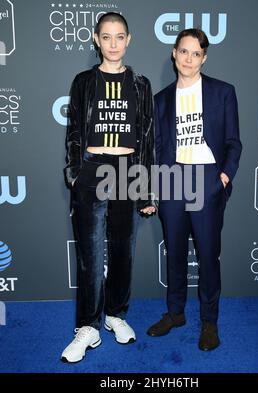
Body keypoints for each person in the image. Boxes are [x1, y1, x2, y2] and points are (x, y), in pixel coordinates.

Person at [62, 12, 155, 363]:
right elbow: (73, 129)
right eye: (106, 37)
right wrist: (74, 172)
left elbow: (147, 139)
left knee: (122, 250)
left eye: (119, 37)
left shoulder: (141, 84)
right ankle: (88, 327)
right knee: (89, 253)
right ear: (96, 40)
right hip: (92, 168)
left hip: (129, 170)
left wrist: (145, 189)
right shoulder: (84, 81)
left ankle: (116, 315)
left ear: (128, 40)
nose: (113, 43)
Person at [147, 28, 242, 351]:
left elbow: (233, 142)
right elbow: (157, 149)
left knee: (207, 256)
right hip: (172, 182)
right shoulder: (160, 100)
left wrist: (223, 178)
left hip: (207, 181)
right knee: (174, 254)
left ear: (204, 57)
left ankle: (209, 322)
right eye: (183, 51)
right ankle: (175, 314)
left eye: (196, 53)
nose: (189, 59)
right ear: (174, 54)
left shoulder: (223, 92)